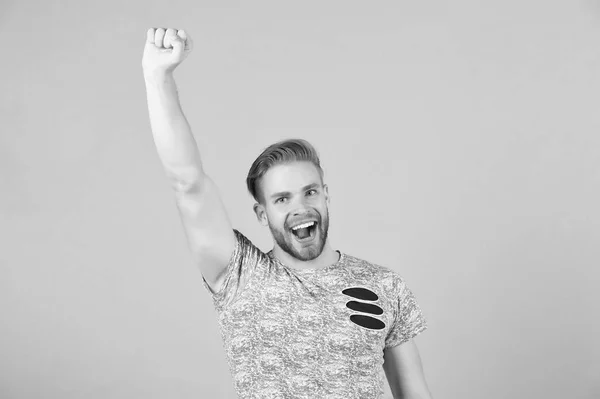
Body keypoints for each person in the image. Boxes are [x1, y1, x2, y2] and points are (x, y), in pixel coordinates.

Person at [142, 27, 433, 399]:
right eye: (281, 199)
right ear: (261, 214)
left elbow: (415, 394)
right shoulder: (239, 276)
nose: (300, 207)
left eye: (309, 192)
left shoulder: (385, 285)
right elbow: (187, 182)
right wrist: (157, 76)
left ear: (326, 196)